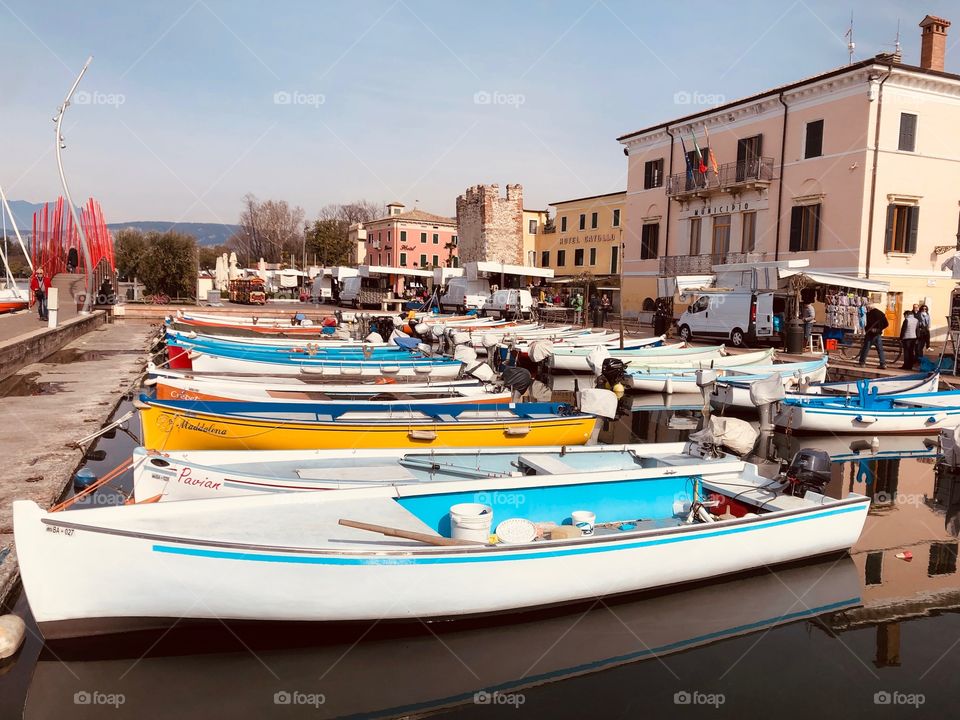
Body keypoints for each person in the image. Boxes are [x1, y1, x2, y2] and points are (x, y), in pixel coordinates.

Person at [858, 304, 889, 368]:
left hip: (870, 334)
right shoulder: (881, 313)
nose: (866, 310)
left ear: (869, 308)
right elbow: (886, 324)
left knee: (865, 348)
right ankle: (883, 364)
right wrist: (879, 329)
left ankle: (862, 363)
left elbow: (868, 324)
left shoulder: (869, 314)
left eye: (867, 308)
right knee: (880, 350)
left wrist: (868, 330)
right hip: (878, 334)